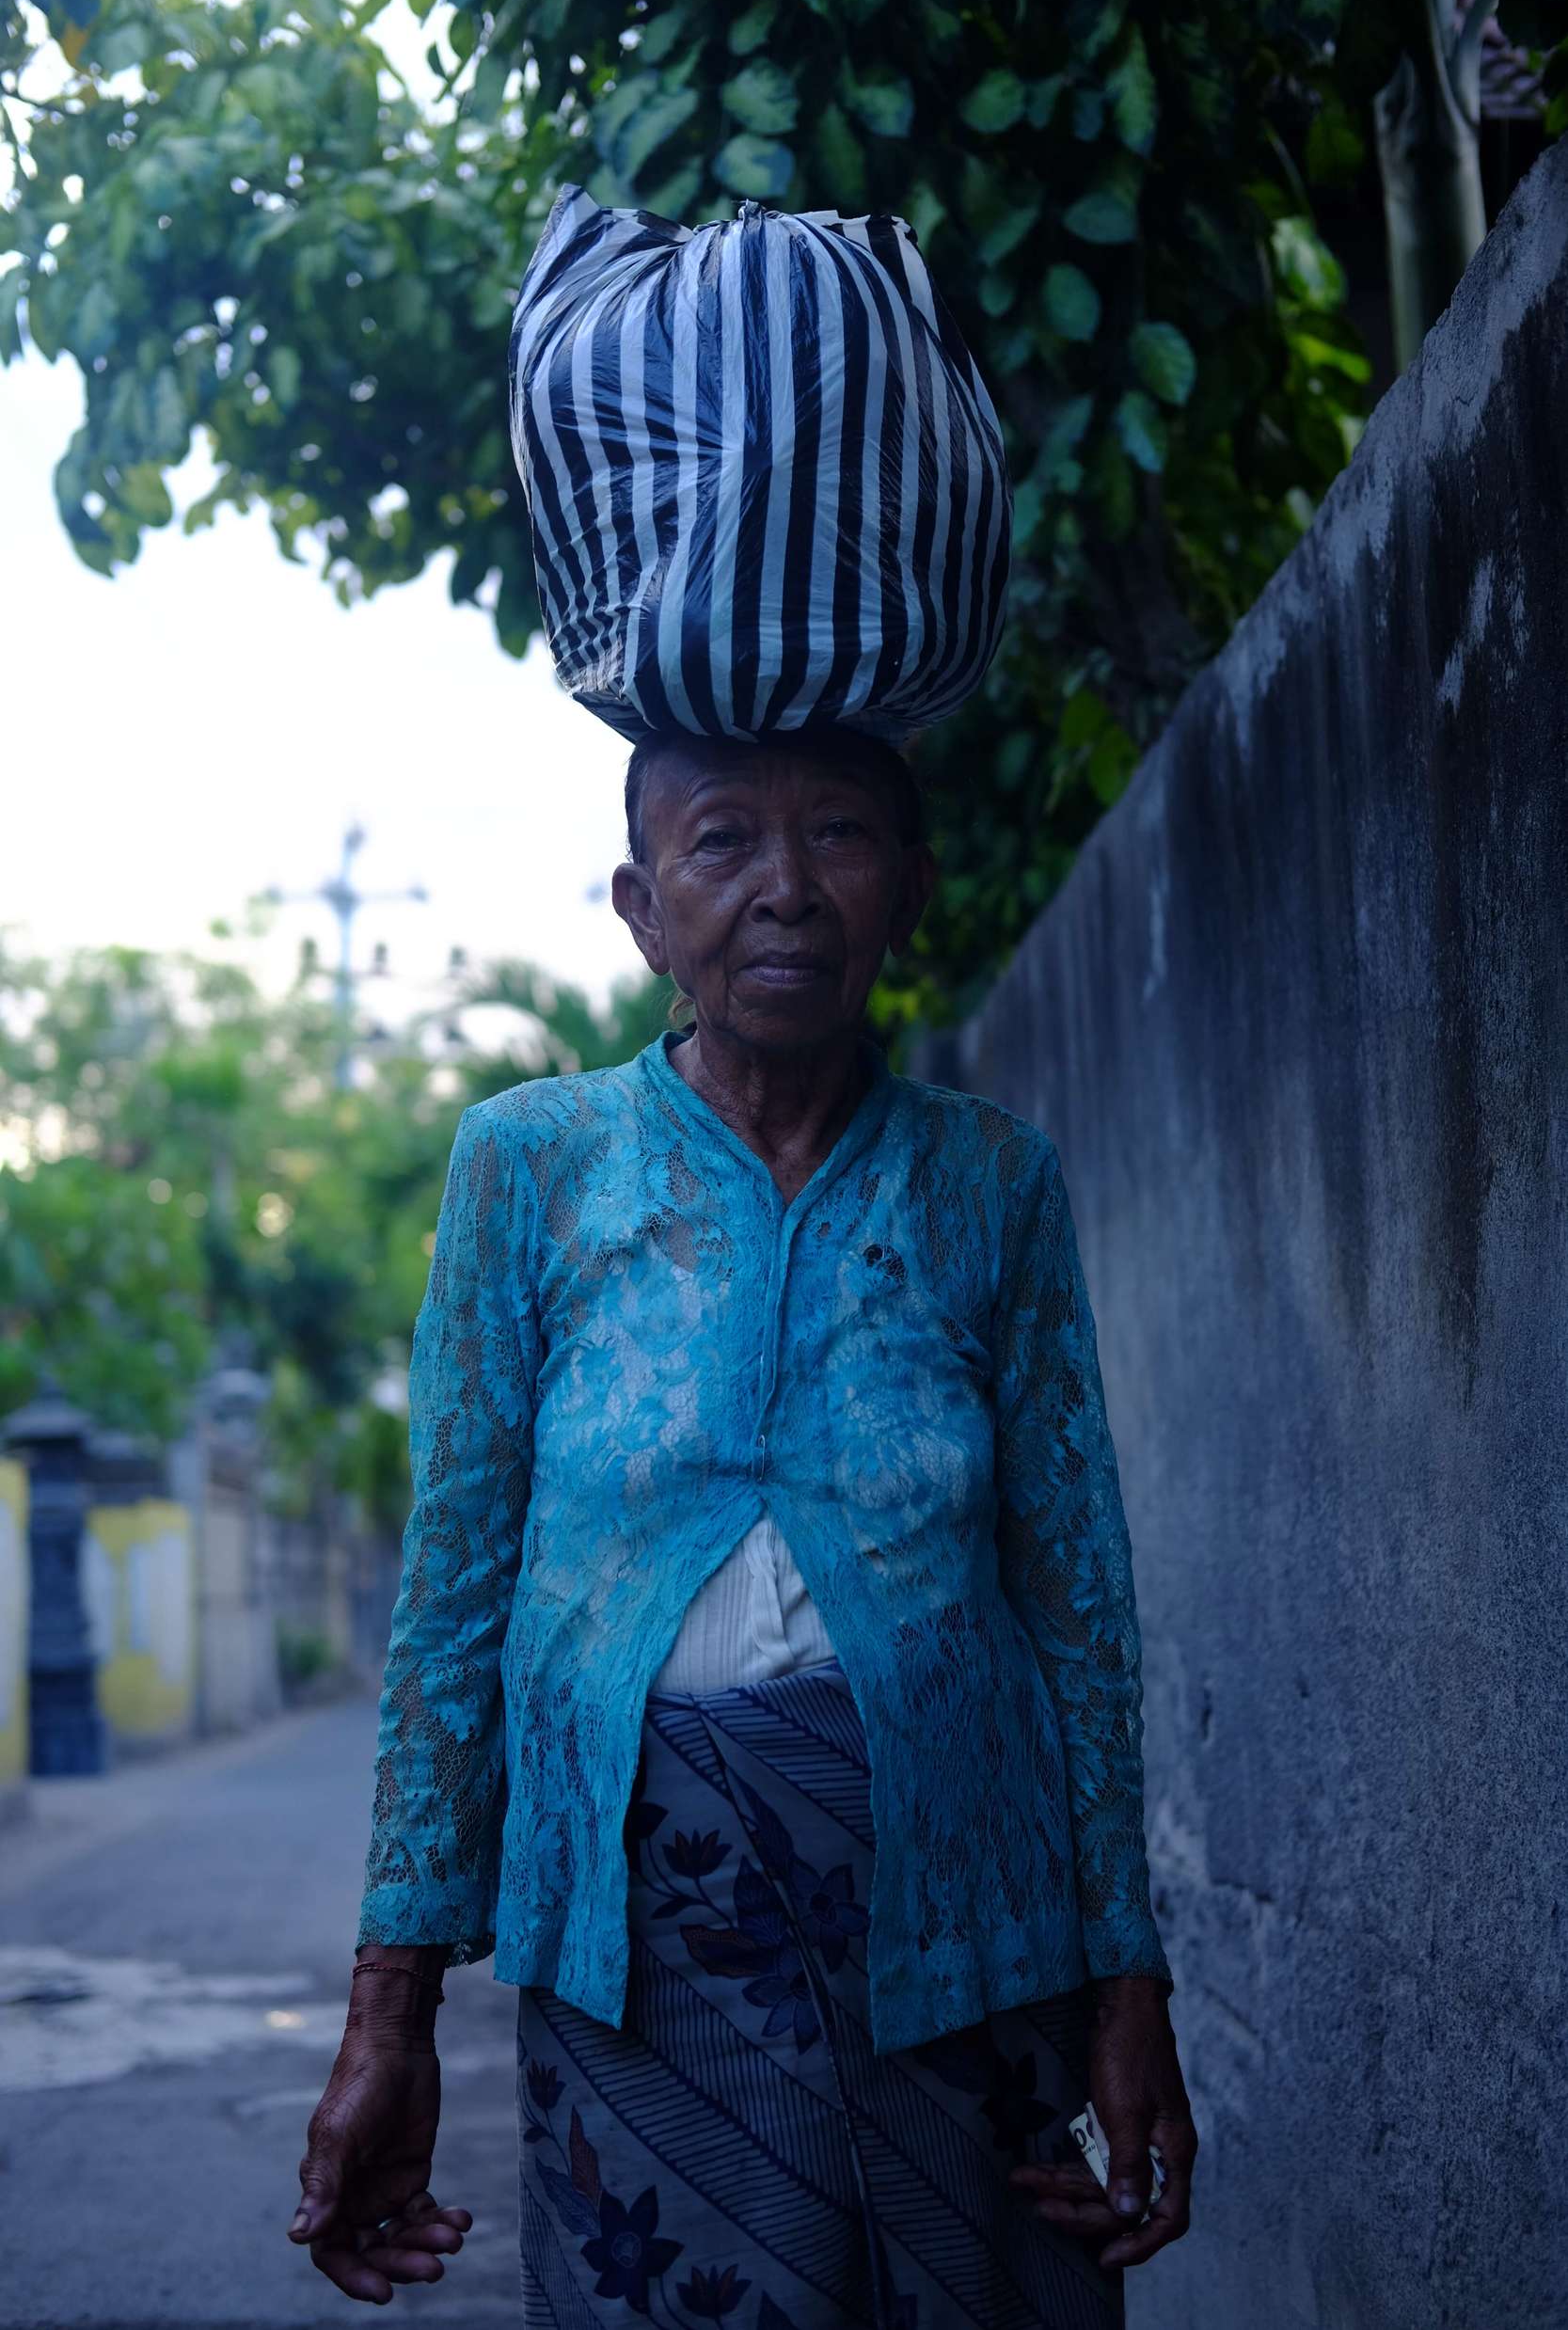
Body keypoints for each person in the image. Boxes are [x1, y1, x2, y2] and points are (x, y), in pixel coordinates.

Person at [289, 723, 1197, 2326]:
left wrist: (1133, 1987)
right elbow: (452, 1603)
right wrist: (390, 2011)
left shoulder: (991, 1183)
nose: (785, 891)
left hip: (963, 1956)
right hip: (640, 1967)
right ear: (643, 909)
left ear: (907, 890)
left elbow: (1079, 1608)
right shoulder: (535, 1167)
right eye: (722, 846)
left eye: (837, 836)